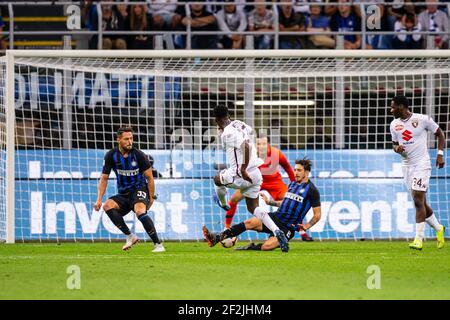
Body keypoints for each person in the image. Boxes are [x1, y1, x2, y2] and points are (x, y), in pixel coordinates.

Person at [203, 105, 290, 252]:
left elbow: (245, 147)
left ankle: (223, 203)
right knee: (253, 207)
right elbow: (249, 132)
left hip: (240, 174)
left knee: (217, 179)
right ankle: (277, 231)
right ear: (228, 115)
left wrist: (242, 168)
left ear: (216, 120)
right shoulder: (239, 124)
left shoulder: (227, 134)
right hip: (256, 173)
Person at [203, 158, 322, 252]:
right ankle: (216, 238)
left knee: (267, 246)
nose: (295, 173)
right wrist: (270, 202)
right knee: (249, 223)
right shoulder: (292, 184)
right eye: (295, 170)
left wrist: (307, 226)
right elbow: (285, 203)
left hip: (288, 227)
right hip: (276, 217)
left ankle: (251, 247)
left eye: (299, 170)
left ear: (306, 172)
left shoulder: (312, 190)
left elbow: (317, 215)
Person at [224, 135, 314, 241]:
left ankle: (302, 231)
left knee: (291, 200)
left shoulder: (276, 153)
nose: (261, 146)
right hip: (254, 181)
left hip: (274, 182)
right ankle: (226, 227)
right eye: (258, 144)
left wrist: (294, 185)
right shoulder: (250, 154)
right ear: (255, 145)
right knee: (234, 199)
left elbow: (288, 168)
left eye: (263, 144)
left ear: (268, 145)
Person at [93, 126, 165, 252]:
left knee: (139, 210)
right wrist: (99, 199)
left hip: (139, 189)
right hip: (124, 194)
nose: (130, 142)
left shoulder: (139, 155)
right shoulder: (111, 155)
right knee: (107, 206)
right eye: (126, 139)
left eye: (131, 138)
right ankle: (130, 236)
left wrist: (151, 197)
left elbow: (150, 178)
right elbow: (104, 178)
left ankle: (158, 245)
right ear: (118, 140)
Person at [389, 95, 446, 250]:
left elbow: (440, 134)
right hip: (406, 166)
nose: (391, 110)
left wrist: (440, 154)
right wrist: (397, 149)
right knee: (420, 202)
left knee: (417, 200)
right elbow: (394, 145)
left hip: (422, 164)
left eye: (393, 107)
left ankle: (418, 240)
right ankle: (439, 228)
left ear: (402, 107)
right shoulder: (394, 125)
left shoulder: (422, 119)